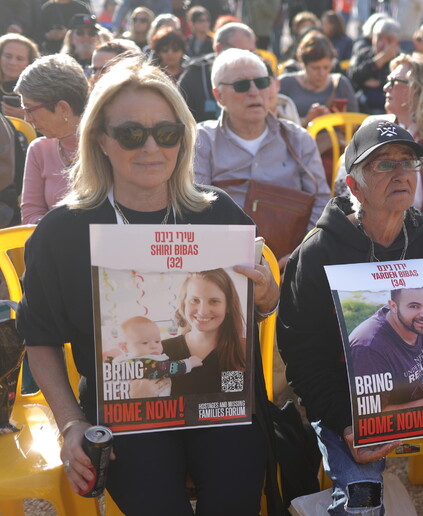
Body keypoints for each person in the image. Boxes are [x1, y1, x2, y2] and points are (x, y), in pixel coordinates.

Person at [16, 56, 279, 515]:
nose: (151, 147)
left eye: (167, 132)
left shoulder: (215, 213)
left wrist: (266, 293)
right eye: (131, 133)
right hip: (124, 411)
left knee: (236, 497)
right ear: (99, 138)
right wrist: (72, 425)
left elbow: (260, 306)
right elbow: (39, 338)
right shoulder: (61, 232)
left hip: (221, 407)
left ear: (184, 138)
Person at [277, 120, 423, 516]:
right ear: (353, 186)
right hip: (351, 407)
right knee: (363, 503)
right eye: (383, 165)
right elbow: (304, 357)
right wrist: (344, 423)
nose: (401, 173)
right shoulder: (317, 253)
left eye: (408, 163)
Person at [194, 48, 329, 265]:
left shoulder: (298, 139)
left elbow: (322, 202)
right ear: (218, 96)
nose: (254, 92)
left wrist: (298, 254)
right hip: (223, 265)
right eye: (242, 85)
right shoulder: (202, 140)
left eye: (262, 82)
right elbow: (195, 206)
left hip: (292, 262)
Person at [335, 53, 423, 227]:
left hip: (417, 238)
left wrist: (397, 230)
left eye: (394, 82)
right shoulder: (373, 125)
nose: (386, 87)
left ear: (420, 89)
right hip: (365, 227)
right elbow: (343, 185)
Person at [350, 286, 423, 407]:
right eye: (414, 306)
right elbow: (371, 416)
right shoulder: (369, 348)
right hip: (396, 421)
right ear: (393, 306)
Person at [15, 54, 88, 224]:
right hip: (54, 248)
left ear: (63, 108)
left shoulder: (109, 146)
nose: (27, 119)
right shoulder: (39, 149)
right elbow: (31, 216)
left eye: (30, 109)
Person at [162, 269, 246, 396]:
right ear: (183, 303)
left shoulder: (240, 351)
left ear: (228, 306)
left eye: (213, 301)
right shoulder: (161, 351)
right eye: (195, 300)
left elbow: (234, 403)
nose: (202, 311)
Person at [108, 315, 203, 399]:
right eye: (145, 342)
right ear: (124, 347)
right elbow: (164, 368)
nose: (154, 346)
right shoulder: (137, 362)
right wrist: (188, 363)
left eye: (157, 341)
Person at [177, 22, 256, 122]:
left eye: (252, 53)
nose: (247, 59)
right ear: (218, 49)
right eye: (240, 52)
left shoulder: (259, 78)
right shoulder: (195, 76)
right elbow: (181, 119)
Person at [278, 30, 357, 127]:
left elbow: (356, 126)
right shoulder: (286, 84)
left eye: (326, 67)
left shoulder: (340, 84)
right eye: (316, 68)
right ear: (304, 65)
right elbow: (276, 124)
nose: (322, 73)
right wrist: (306, 120)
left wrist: (335, 120)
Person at [349, 17, 401, 115]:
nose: (383, 44)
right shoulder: (363, 54)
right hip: (361, 110)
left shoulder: (401, 61)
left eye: (389, 40)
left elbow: (399, 86)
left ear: (397, 43)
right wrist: (379, 61)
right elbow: (352, 77)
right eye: (380, 38)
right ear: (373, 38)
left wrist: (379, 82)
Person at [0, 33, 39, 120]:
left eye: (19, 59)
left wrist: (27, 116)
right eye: (8, 56)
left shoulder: (38, 92)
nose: (12, 63)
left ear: (29, 63)